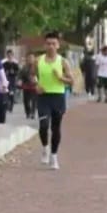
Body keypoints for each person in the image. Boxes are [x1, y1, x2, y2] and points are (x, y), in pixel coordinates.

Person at [37, 32, 74, 170]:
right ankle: (45, 148)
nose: (51, 46)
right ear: (44, 45)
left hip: (58, 97)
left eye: (53, 44)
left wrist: (61, 78)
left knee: (55, 127)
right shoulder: (38, 60)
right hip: (43, 97)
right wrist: (36, 85)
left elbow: (72, 81)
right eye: (48, 44)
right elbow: (31, 75)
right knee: (44, 125)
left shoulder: (63, 61)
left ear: (58, 45)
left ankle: (54, 156)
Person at [20, 53, 39, 119]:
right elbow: (20, 75)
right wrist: (19, 80)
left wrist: (37, 81)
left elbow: (40, 76)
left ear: (34, 59)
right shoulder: (24, 67)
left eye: (32, 58)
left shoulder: (37, 67)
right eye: (29, 58)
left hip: (34, 86)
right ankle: (28, 112)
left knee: (34, 101)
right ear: (27, 59)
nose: (31, 59)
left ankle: (33, 113)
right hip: (26, 86)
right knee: (26, 101)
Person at [2, 49, 20, 114]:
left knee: (11, 94)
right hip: (6, 80)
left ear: (12, 55)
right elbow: (2, 70)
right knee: (6, 93)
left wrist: (14, 73)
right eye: (8, 55)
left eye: (11, 55)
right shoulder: (4, 62)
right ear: (7, 55)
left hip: (13, 80)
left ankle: (11, 107)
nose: (10, 56)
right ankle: (7, 106)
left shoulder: (15, 63)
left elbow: (18, 72)